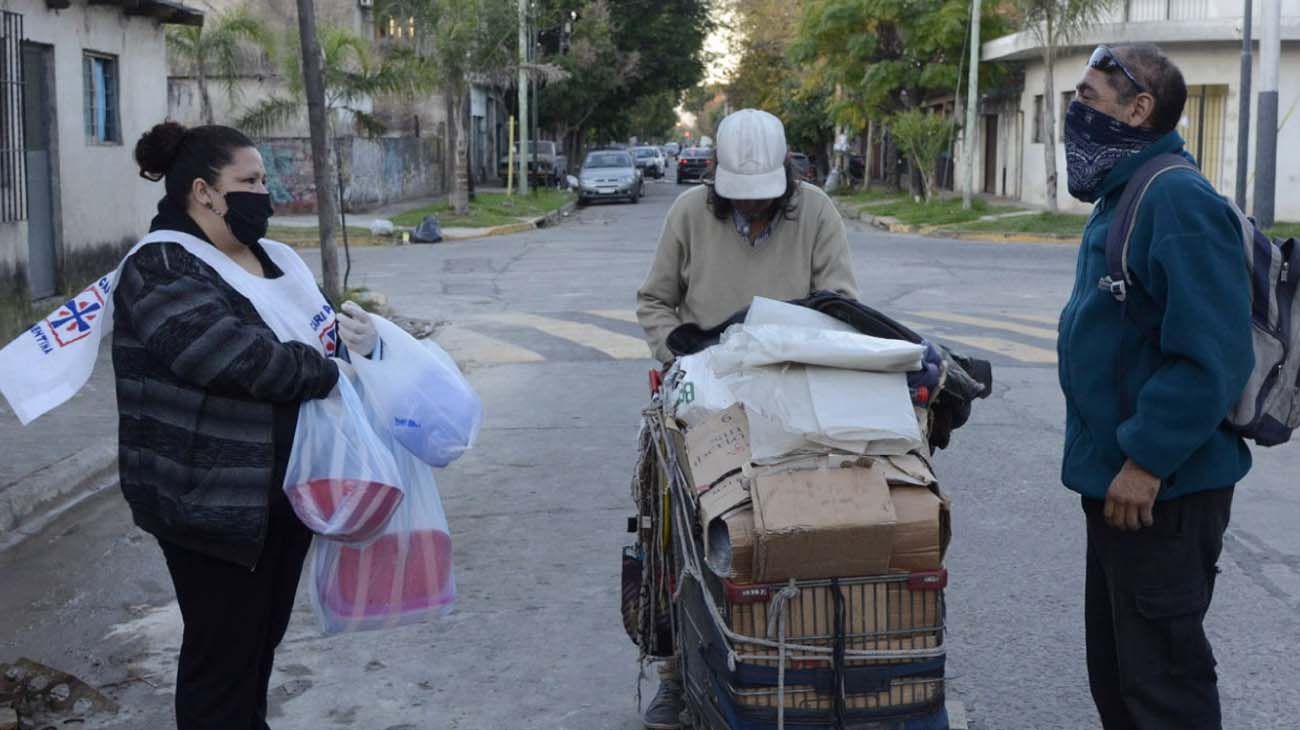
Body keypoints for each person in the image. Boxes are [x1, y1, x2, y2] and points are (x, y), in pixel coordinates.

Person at [117, 121, 380, 730]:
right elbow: (229, 356)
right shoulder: (161, 266)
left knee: (257, 647)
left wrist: (359, 344)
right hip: (211, 502)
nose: (266, 192)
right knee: (222, 661)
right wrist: (325, 368)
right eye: (251, 181)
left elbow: (319, 330)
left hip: (285, 496)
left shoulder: (270, 257)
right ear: (206, 192)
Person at [633, 109, 860, 729]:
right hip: (703, 397)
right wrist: (674, 343)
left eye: (766, 200)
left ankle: (805, 659)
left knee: (790, 530)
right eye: (742, 199)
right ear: (714, 177)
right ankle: (676, 674)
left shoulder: (816, 213)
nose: (755, 211)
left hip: (793, 393)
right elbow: (654, 300)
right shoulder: (686, 215)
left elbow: (840, 305)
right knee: (675, 535)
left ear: (788, 175)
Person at [1056, 45, 1253, 729]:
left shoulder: (1175, 198)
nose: (1073, 113)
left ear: (1138, 110)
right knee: (1120, 680)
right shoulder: (1126, 191)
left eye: (1087, 97)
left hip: (1160, 493)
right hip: (1119, 488)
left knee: (1163, 688)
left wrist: (1144, 462)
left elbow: (1212, 356)